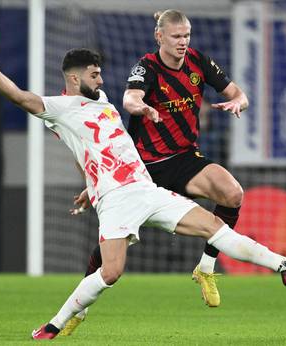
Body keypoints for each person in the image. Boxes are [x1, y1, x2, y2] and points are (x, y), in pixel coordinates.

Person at [0, 40, 286, 340]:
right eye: (93, 74)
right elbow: (19, 97)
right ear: (74, 77)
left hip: (146, 188)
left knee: (214, 227)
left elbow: (97, 150)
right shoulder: (60, 107)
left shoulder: (100, 101)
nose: (99, 78)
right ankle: (54, 325)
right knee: (111, 272)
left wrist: (88, 182)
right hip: (115, 200)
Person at [69, 9, 248, 326]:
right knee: (113, 243)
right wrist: (143, 107)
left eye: (187, 35)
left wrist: (238, 101)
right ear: (159, 37)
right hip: (141, 168)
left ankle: (205, 269)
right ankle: (79, 307)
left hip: (183, 159)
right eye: (177, 36)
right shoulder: (146, 66)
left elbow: (237, 93)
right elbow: (129, 98)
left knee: (232, 193)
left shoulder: (198, 62)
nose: (183, 42)